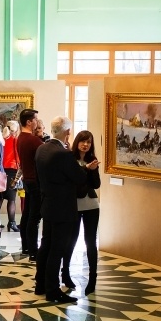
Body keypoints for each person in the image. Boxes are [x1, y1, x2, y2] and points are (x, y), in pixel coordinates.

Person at [34, 116, 89, 304]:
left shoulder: (41, 148)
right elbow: (80, 177)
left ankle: (40, 284)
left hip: (48, 205)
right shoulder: (63, 154)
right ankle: (52, 291)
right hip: (63, 209)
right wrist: (86, 168)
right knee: (56, 249)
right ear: (67, 133)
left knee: (46, 246)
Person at [60, 130, 101, 296]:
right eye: (83, 141)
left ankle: (92, 279)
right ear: (77, 142)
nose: (86, 144)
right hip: (74, 206)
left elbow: (96, 184)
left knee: (91, 242)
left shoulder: (92, 160)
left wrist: (92, 170)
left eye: (89, 142)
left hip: (91, 205)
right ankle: (65, 274)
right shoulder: (70, 159)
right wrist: (85, 169)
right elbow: (74, 183)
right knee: (71, 240)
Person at [16, 109, 43, 258]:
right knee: (34, 216)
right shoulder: (32, 140)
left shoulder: (20, 138)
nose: (37, 122)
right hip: (35, 181)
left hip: (27, 180)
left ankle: (26, 247)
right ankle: (33, 251)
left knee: (27, 214)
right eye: (35, 120)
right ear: (29, 122)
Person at [0, 120, 20, 232]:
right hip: (12, 170)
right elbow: (18, 156)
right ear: (15, 130)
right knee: (11, 199)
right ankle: (12, 223)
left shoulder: (0, 140)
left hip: (0, 171)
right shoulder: (15, 140)